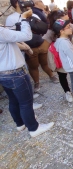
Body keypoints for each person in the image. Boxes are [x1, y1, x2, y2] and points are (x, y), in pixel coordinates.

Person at [0, 9, 54, 137]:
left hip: (3, 73)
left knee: (13, 101)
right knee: (26, 103)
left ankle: (20, 124)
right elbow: (27, 36)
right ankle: (34, 128)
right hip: (15, 73)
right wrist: (24, 18)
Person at [6, 0, 59, 93]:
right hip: (29, 47)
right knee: (33, 66)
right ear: (17, 3)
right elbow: (13, 36)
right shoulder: (11, 18)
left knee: (45, 63)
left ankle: (51, 76)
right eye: (24, 1)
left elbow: (43, 28)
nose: (28, 3)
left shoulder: (33, 14)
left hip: (40, 43)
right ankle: (37, 82)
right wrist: (23, 47)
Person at [44, 10, 73, 102]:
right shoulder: (51, 32)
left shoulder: (68, 29)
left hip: (69, 53)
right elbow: (46, 47)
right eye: (65, 20)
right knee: (65, 75)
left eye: (68, 19)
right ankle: (70, 93)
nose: (70, 24)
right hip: (62, 56)